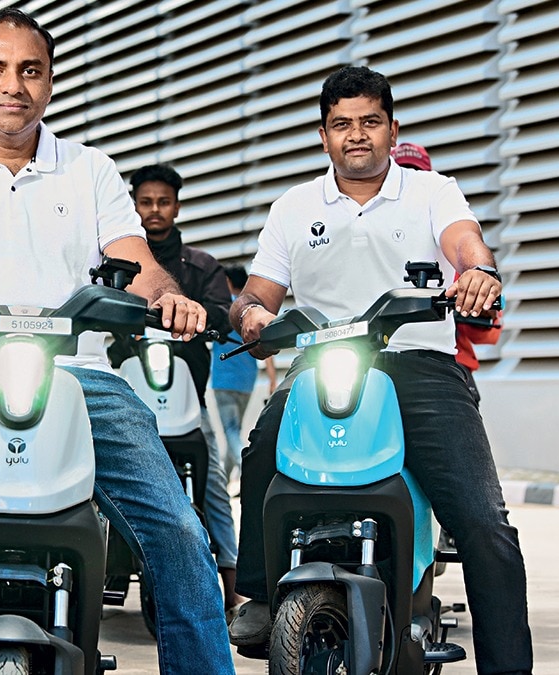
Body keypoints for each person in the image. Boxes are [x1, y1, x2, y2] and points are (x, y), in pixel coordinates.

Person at [0, 9, 234, 673]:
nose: (13, 85)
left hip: (78, 375)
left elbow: (135, 259)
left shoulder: (90, 170)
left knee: (178, 527)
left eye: (30, 70)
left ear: (50, 82)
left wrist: (168, 295)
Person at [226, 66, 532, 673]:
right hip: (322, 361)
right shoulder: (293, 207)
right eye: (342, 124)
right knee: (262, 447)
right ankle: (260, 595)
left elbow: (466, 241)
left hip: (419, 364)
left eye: (370, 122)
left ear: (393, 129)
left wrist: (477, 271)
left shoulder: (431, 192)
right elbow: (256, 294)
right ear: (323, 135)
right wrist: (253, 315)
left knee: (484, 522)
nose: (356, 135)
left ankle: (508, 667)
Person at [127, 164, 244, 617]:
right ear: (134, 205)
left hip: (186, 398)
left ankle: (233, 588)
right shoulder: (116, 263)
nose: (155, 210)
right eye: (145, 202)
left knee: (213, 478)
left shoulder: (201, 265)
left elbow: (222, 311)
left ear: (177, 205)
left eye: (164, 201)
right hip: (129, 392)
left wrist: (196, 316)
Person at [392, 142, 503, 405]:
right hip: (377, 365)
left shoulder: (452, 249)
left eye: (414, 174)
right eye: (402, 173)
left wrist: (477, 306)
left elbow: (489, 332)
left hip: (448, 365)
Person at [211, 263, 277, 482]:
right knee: (235, 429)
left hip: (224, 380)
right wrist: (272, 378)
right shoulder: (255, 314)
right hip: (247, 380)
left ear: (228, 282)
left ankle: (248, 469)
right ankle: (226, 480)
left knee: (230, 430)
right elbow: (267, 348)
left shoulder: (227, 311)